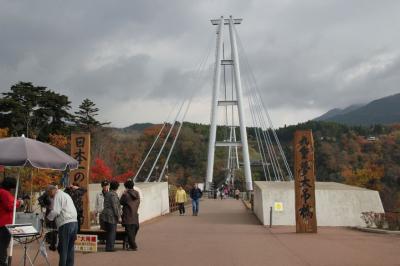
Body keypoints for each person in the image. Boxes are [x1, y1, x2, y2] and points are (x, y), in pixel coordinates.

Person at [46, 185, 78, 266]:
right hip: (74, 222)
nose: (50, 196)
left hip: (66, 223)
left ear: (53, 190)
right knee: (70, 248)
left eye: (49, 193)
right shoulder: (66, 195)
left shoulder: (58, 195)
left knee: (63, 248)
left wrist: (48, 218)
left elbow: (56, 211)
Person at [0, 177, 22, 266]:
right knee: (3, 245)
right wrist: (19, 203)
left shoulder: (4, 192)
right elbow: (10, 205)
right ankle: (2, 262)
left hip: (4, 222)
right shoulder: (4, 193)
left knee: (3, 245)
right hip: (4, 223)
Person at [100, 181, 121, 252]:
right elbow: (115, 207)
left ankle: (108, 247)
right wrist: (119, 216)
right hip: (111, 216)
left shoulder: (108, 193)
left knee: (109, 232)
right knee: (112, 232)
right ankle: (110, 247)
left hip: (106, 215)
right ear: (117, 187)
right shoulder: (113, 195)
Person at [120, 179, 140, 251]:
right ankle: (131, 245)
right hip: (135, 215)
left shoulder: (126, 194)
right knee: (134, 230)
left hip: (127, 215)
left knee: (129, 232)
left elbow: (121, 202)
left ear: (126, 187)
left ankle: (133, 246)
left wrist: (123, 194)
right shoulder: (137, 193)